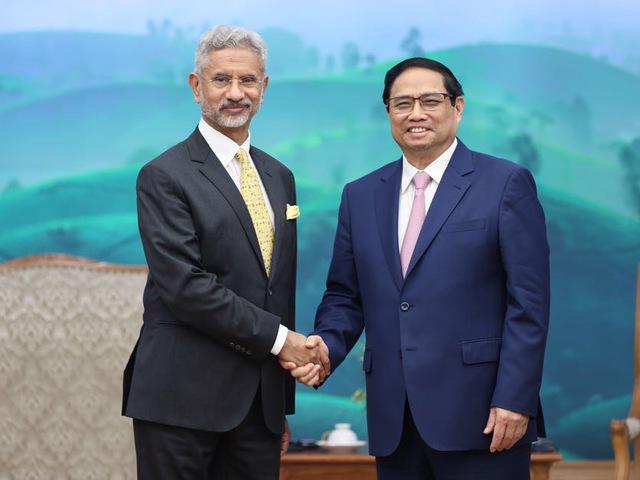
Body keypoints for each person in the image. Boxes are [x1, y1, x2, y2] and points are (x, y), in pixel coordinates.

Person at [283, 57, 550, 479]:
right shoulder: (361, 195)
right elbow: (345, 296)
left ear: (458, 107)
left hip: (484, 419)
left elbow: (529, 305)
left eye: (431, 100)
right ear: (388, 112)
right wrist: (326, 348)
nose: (416, 113)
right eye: (402, 103)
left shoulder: (505, 183)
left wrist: (515, 398)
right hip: (396, 422)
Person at [122, 25, 326, 480]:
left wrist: (278, 407)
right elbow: (185, 288)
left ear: (264, 87)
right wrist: (283, 341)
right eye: (221, 80)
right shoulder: (163, 176)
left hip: (258, 411)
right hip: (181, 405)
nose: (236, 93)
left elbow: (274, 289)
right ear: (196, 87)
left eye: (248, 80)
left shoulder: (279, 176)